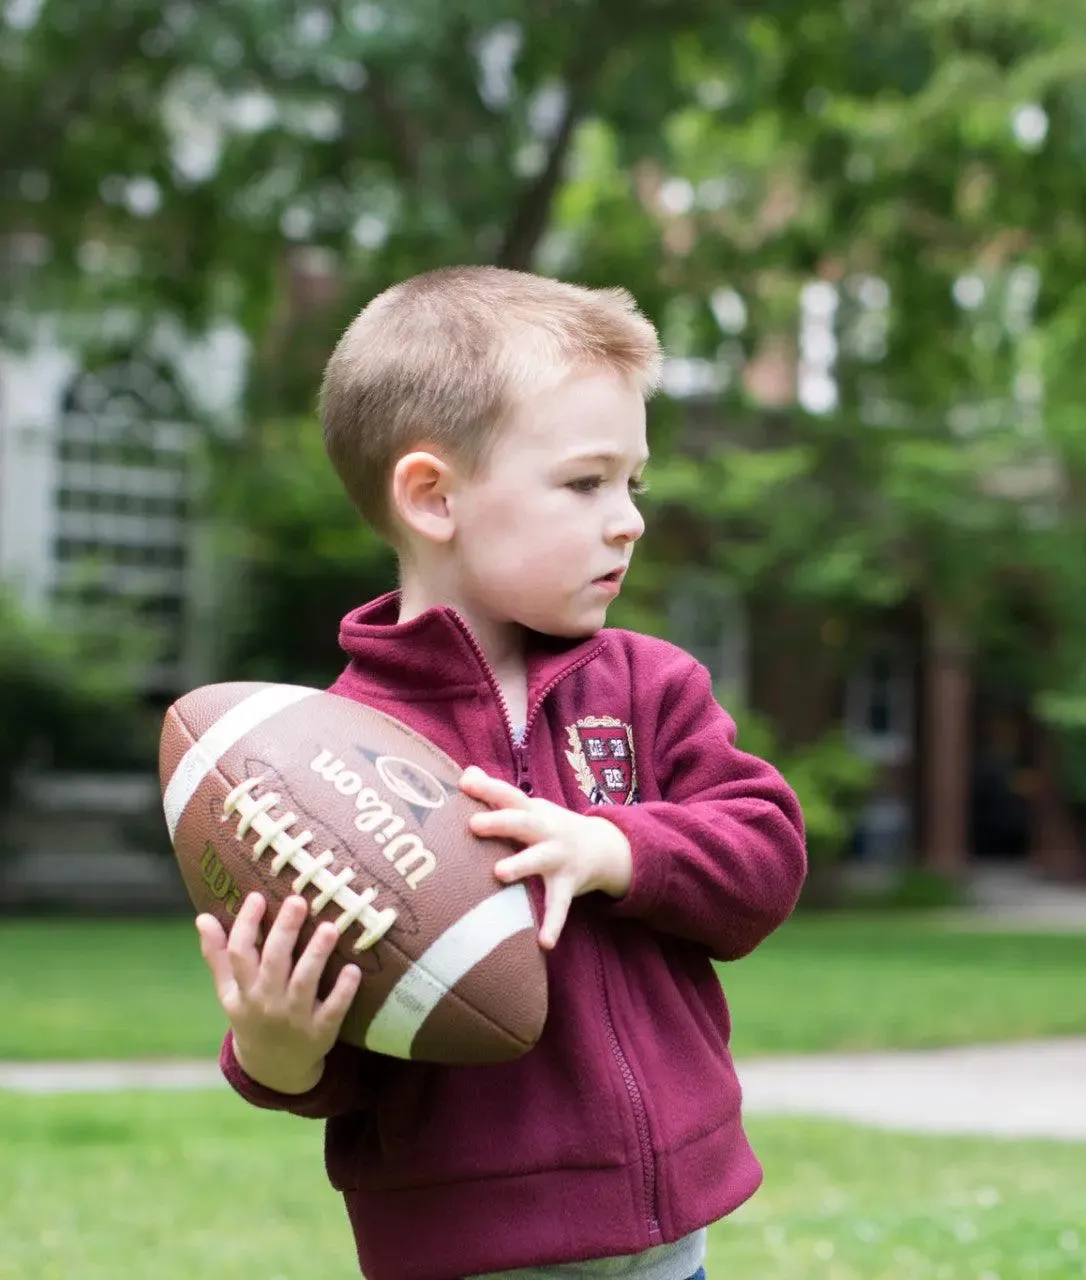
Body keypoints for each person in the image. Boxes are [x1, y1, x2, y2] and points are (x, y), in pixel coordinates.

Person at [193, 265, 809, 1280]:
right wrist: (274, 1047)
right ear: (434, 497)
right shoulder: (327, 755)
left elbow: (764, 857)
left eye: (633, 482)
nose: (629, 519)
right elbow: (342, 1038)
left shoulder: (651, 686)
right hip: (466, 1254)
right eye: (585, 482)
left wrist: (617, 844)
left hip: (667, 1244)